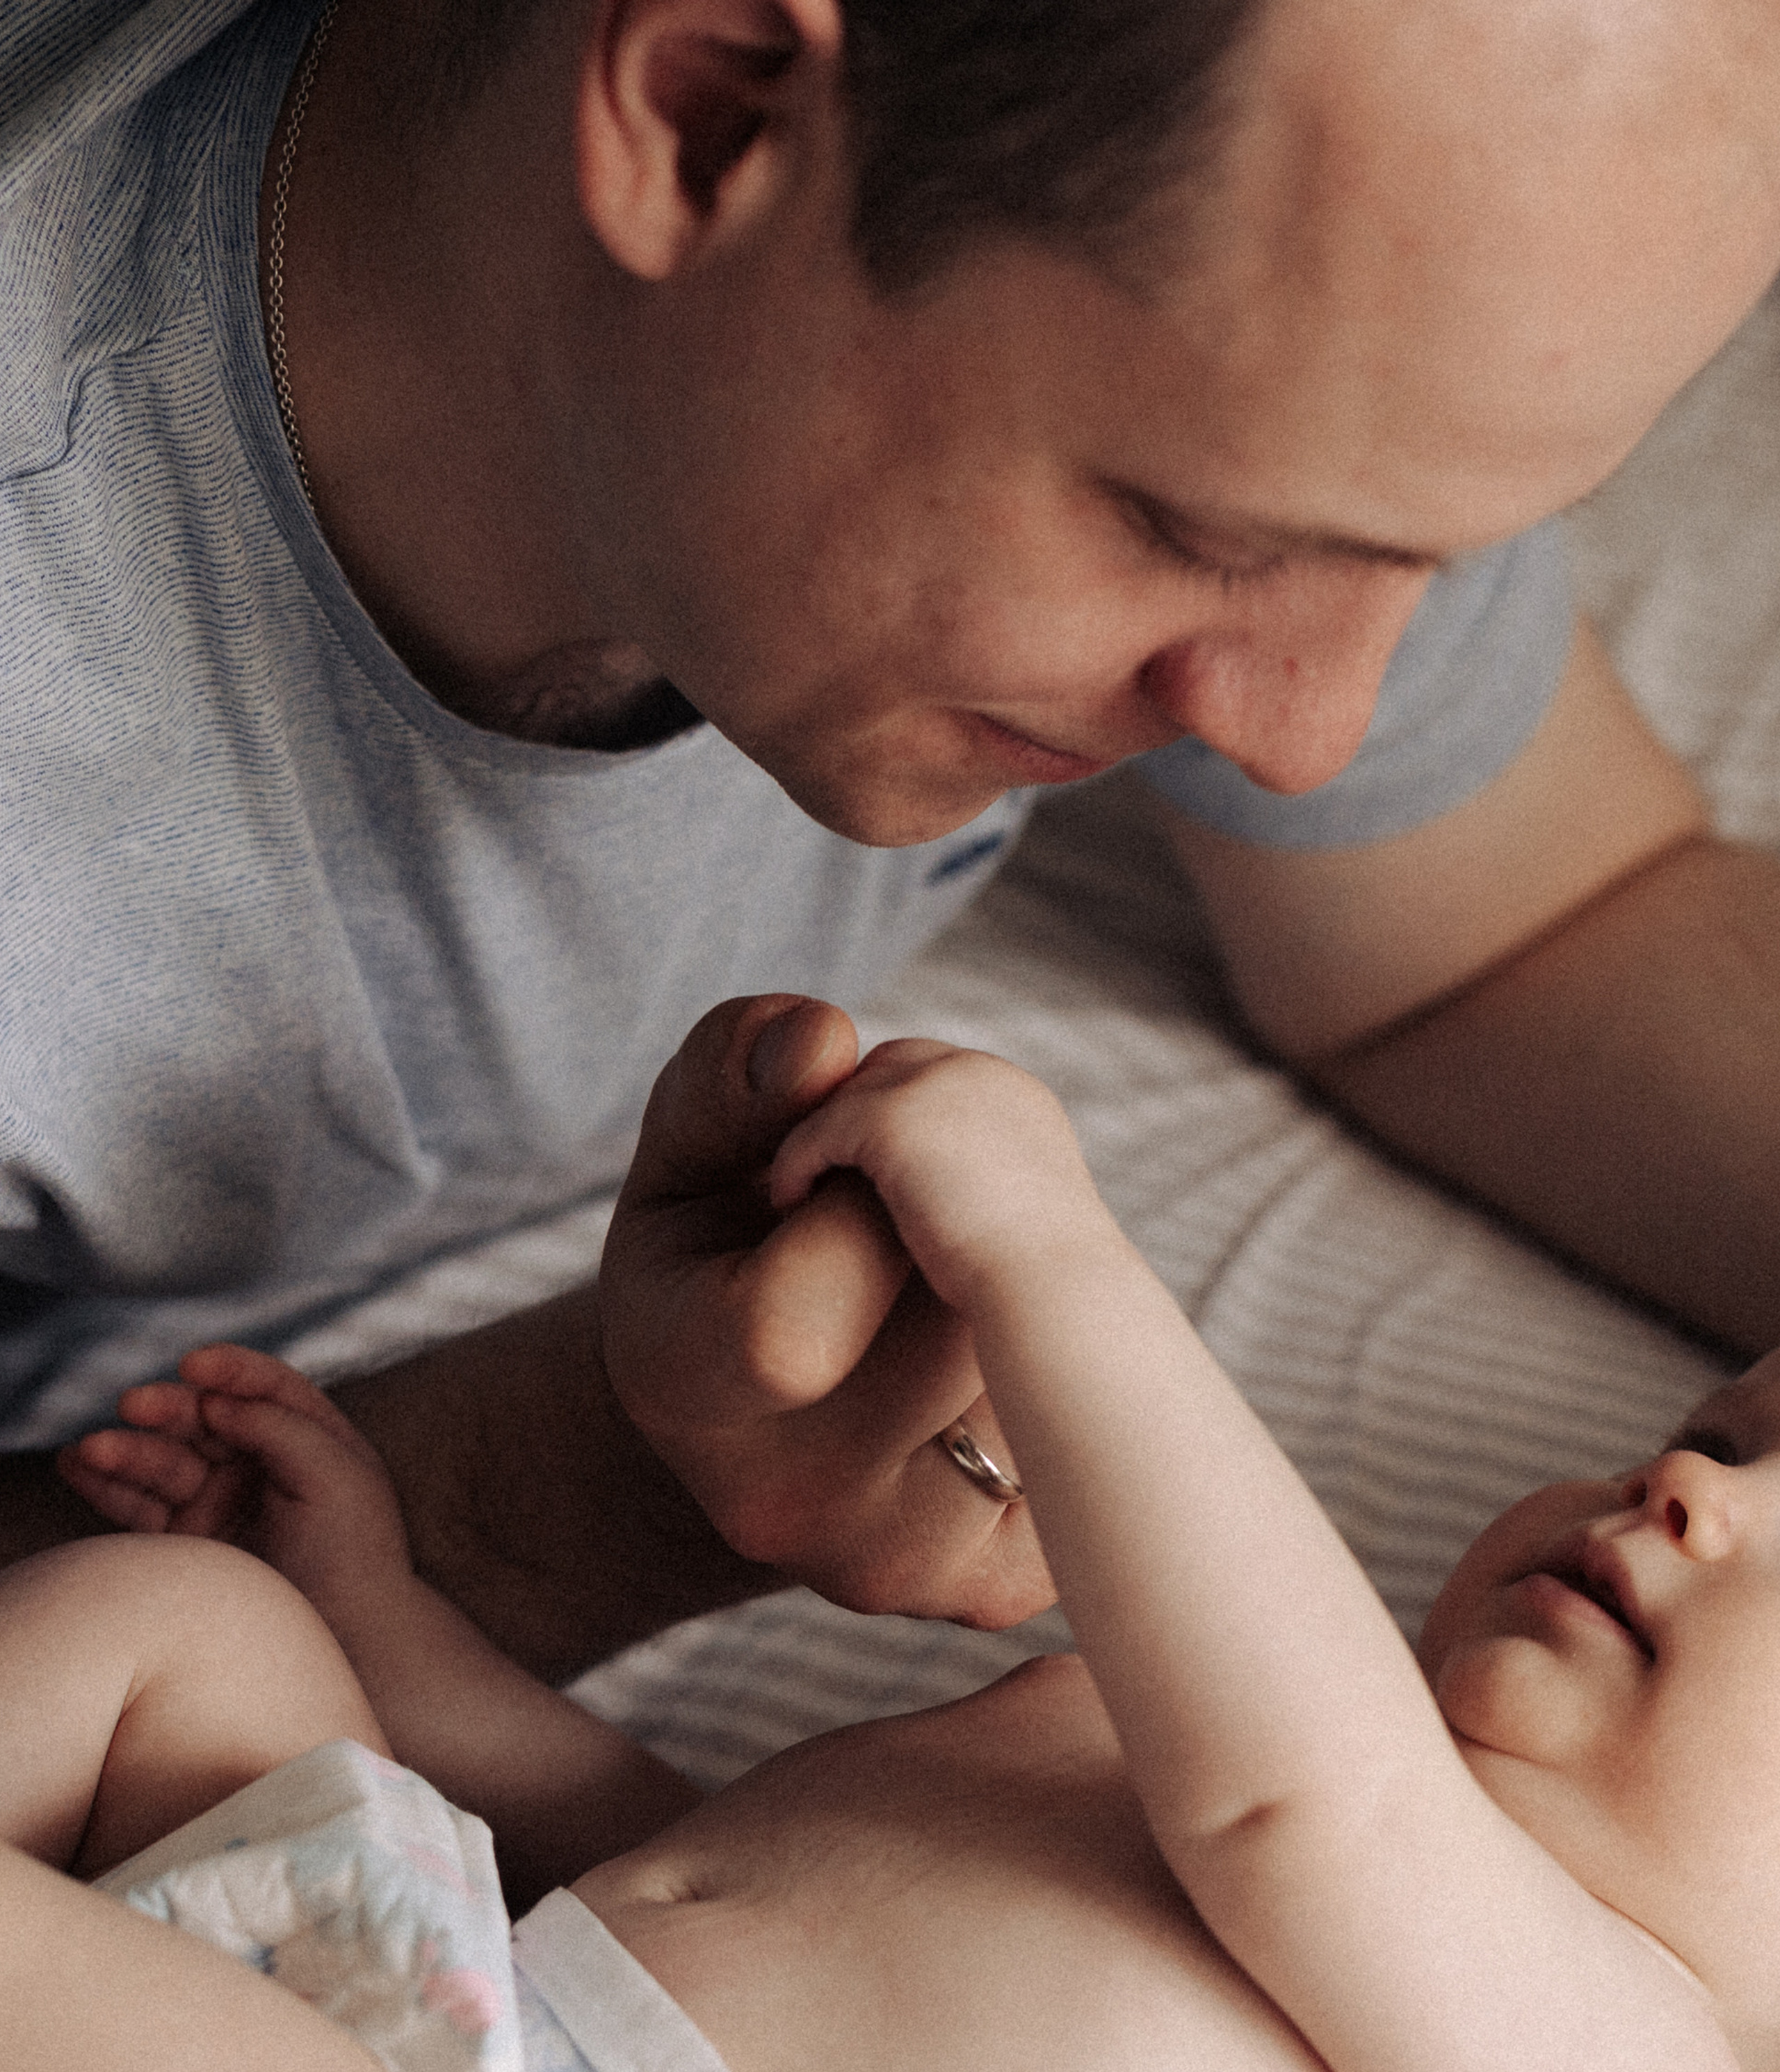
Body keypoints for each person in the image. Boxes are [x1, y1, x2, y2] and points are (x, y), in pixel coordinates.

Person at [9, 0, 1780, 1669]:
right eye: (1216, 539)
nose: (1308, 737)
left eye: (1438, 554)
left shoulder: (1310, 256)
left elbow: (1526, 921)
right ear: (712, 115)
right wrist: (582, 1479)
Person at [3, 993, 1765, 2072]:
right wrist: (379, 1624)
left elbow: (1304, 1806)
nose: (1683, 1488)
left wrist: (1042, 1255)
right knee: (180, 1627)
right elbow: (683, 1866)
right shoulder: (1209, 1755)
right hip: (457, 2067)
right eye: (1712, 1434)